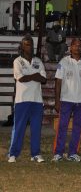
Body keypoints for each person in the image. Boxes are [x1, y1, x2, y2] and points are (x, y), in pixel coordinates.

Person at [52, 38, 81, 162]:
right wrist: (57, 100)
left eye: (80, 46)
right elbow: (58, 82)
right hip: (66, 100)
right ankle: (58, 153)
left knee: (77, 127)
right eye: (75, 45)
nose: (77, 48)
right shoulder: (63, 62)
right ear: (70, 48)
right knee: (62, 126)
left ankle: (72, 153)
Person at [8, 35, 47, 163]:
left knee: (36, 128)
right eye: (26, 44)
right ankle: (13, 154)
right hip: (22, 100)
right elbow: (20, 78)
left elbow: (44, 79)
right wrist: (35, 75)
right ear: (22, 47)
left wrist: (31, 76)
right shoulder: (17, 61)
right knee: (19, 128)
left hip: (37, 100)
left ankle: (35, 154)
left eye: (30, 44)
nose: (29, 46)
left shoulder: (38, 61)